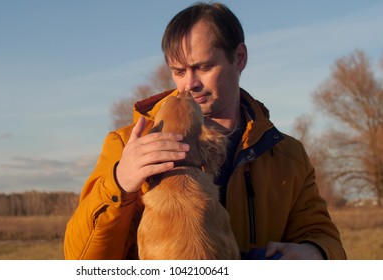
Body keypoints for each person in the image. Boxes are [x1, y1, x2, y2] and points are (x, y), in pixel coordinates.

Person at [64, 2, 347, 260]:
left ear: (239, 57)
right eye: (178, 71)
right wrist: (119, 182)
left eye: (203, 67)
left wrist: (315, 253)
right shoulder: (127, 145)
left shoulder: (288, 155)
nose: (189, 84)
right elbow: (79, 260)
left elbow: (325, 238)